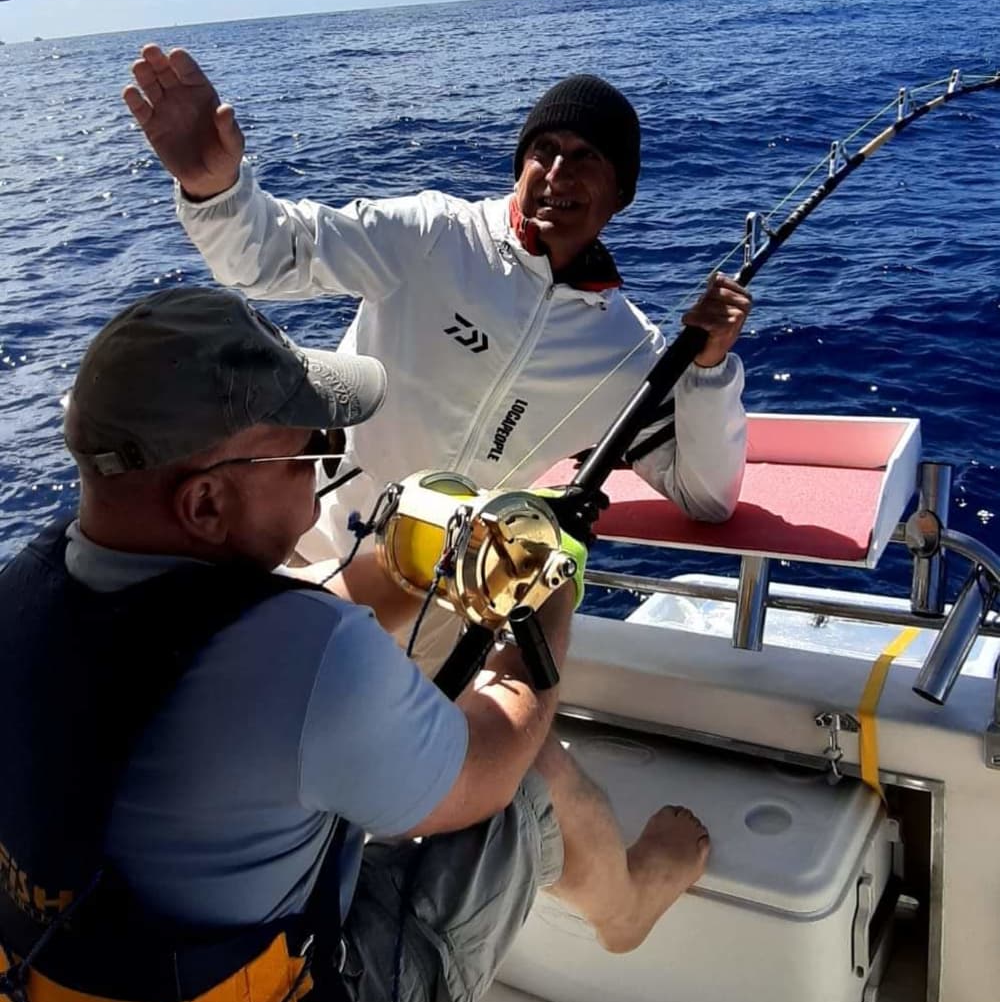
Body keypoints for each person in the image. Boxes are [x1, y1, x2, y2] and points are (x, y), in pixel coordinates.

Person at [0, 286, 709, 1002]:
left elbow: (236, 635)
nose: (327, 479)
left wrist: (421, 565)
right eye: (312, 452)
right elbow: (487, 766)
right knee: (532, 788)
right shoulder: (305, 664)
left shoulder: (32, 587)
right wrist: (546, 594)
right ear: (207, 503)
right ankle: (629, 906)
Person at [123, 48, 751, 657]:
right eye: (543, 151)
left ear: (621, 193)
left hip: (439, 612)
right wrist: (217, 190)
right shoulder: (434, 234)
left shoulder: (625, 349)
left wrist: (709, 369)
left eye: (586, 157)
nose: (558, 172)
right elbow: (272, 256)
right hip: (297, 555)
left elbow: (706, 497)